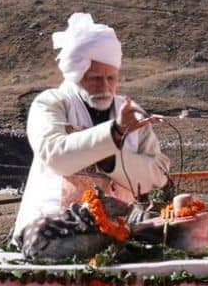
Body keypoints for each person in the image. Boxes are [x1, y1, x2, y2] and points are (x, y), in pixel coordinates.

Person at [11, 13, 170, 241]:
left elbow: (158, 173)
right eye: (94, 78)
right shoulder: (51, 103)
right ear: (76, 75)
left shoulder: (130, 111)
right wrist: (113, 134)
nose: (104, 86)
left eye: (111, 78)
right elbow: (56, 156)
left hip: (118, 234)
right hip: (50, 233)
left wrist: (111, 161)